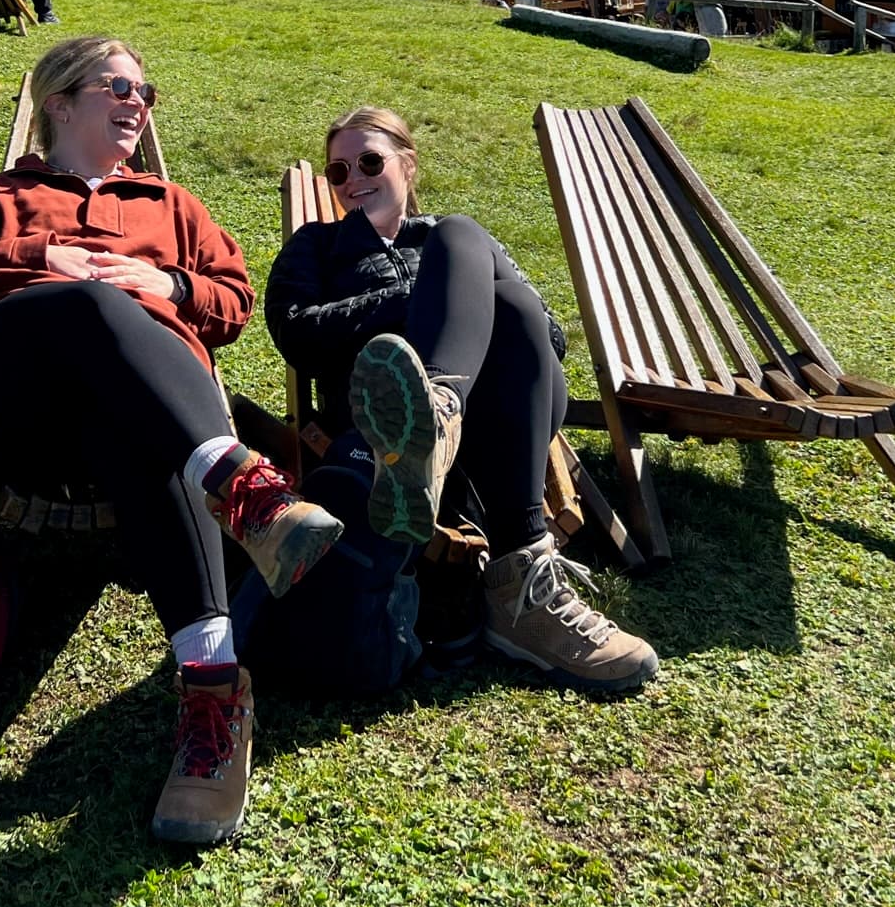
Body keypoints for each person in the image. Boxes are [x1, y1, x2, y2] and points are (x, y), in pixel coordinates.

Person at [0, 34, 343, 845]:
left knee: (134, 432)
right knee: (90, 301)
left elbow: (234, 300)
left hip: (131, 424)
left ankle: (212, 696)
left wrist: (168, 284)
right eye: (120, 86)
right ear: (60, 102)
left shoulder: (172, 206)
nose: (139, 101)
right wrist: (44, 255)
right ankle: (241, 485)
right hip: (9, 408)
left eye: (147, 90)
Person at [265, 107, 658, 694]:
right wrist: (415, 304)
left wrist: (452, 305)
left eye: (369, 161)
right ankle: (517, 589)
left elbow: (547, 340)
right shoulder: (317, 247)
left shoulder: (453, 239)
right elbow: (297, 331)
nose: (352, 180)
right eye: (338, 171)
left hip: (500, 424)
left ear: (408, 163)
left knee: (504, 289)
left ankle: (441, 412)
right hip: (385, 437)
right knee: (509, 302)